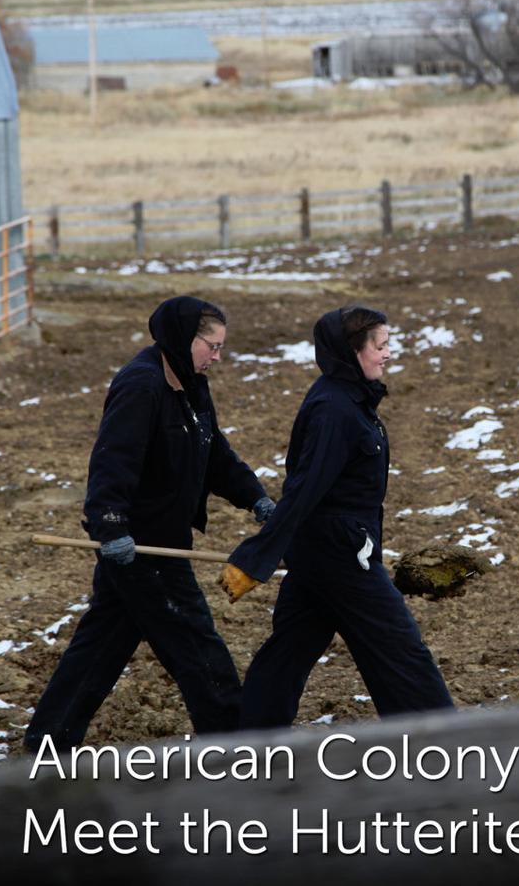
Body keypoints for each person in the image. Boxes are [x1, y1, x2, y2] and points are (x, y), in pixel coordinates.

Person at [24, 296, 275, 752]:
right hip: (141, 545)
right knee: (194, 640)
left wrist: (254, 497)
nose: (217, 357)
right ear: (183, 338)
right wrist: (111, 527)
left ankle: (49, 739)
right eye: (212, 346)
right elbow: (112, 462)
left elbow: (213, 451)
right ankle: (238, 742)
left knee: (103, 644)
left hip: (163, 536)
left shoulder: (191, 382)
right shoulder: (141, 386)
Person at [219, 305, 454, 729]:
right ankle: (445, 744)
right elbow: (304, 492)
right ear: (352, 350)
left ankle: (250, 740)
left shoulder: (349, 397)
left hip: (325, 549)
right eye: (380, 346)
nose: (388, 354)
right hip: (341, 556)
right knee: (400, 649)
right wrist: (257, 557)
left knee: (288, 652)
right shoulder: (335, 409)